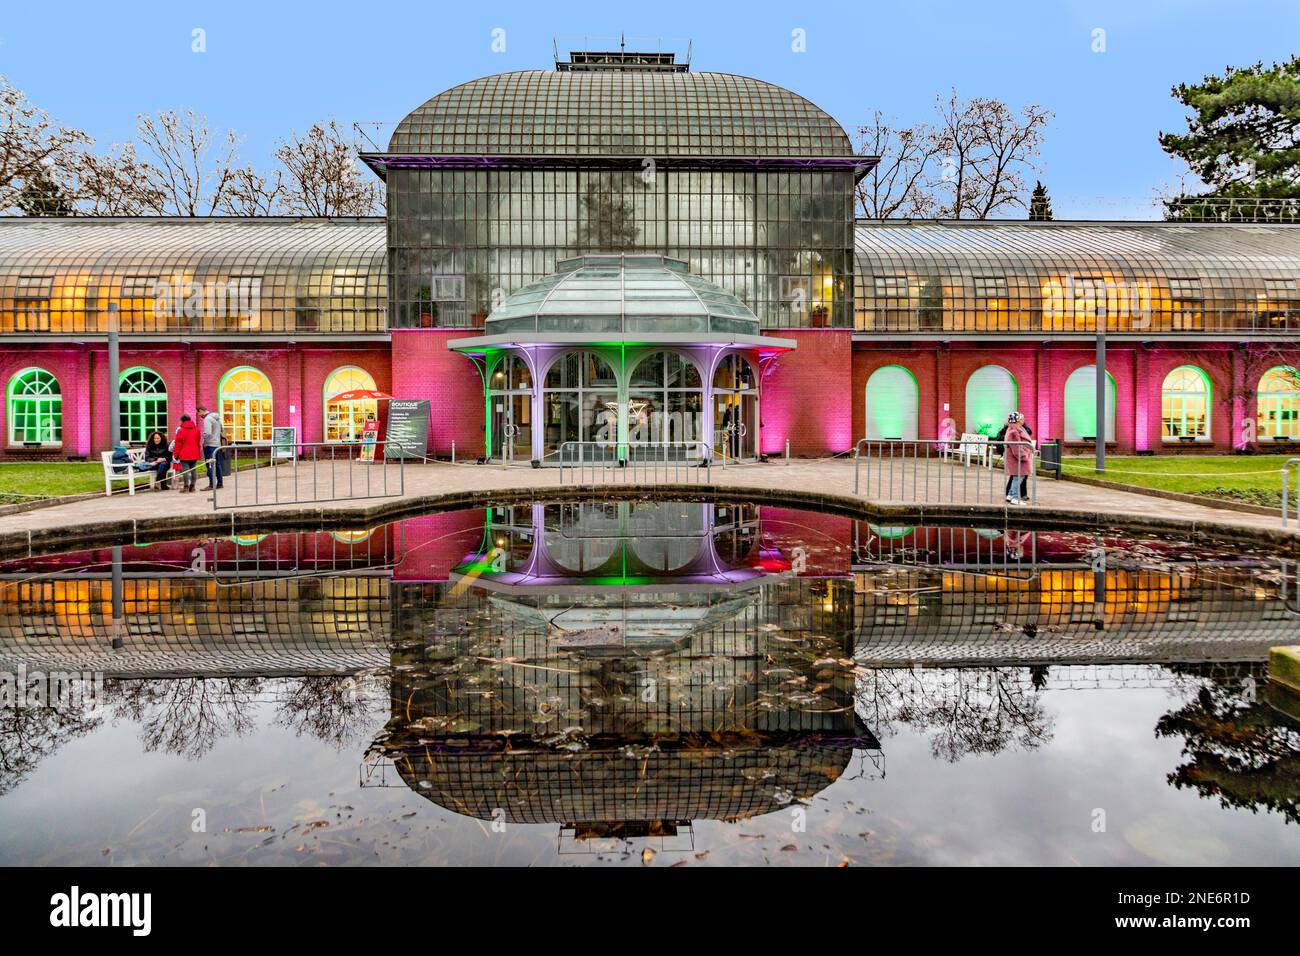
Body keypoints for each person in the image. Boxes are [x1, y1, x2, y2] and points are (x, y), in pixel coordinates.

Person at [1002, 412, 1035, 504]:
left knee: (1017, 477)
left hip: (1018, 459)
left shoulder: (1015, 429)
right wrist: (1024, 457)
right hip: (1018, 459)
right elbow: (1016, 447)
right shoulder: (1014, 431)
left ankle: (1011, 494)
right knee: (1018, 477)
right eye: (1021, 418)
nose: (1023, 420)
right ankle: (1015, 498)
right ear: (1017, 420)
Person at [197, 403, 225, 490]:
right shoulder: (216, 418)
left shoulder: (207, 419)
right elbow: (222, 429)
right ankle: (220, 483)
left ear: (201, 411)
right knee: (217, 464)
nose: (198, 415)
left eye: (198, 413)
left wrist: (204, 440)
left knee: (209, 464)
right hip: (217, 444)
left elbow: (207, 433)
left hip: (210, 445)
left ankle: (211, 484)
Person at [172, 414, 203, 493]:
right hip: (194, 452)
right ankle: (192, 487)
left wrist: (176, 455)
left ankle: (186, 487)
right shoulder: (197, 429)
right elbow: (198, 441)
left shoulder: (180, 430)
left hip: (184, 453)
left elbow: (178, 444)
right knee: (193, 470)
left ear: (182, 421)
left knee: (185, 471)